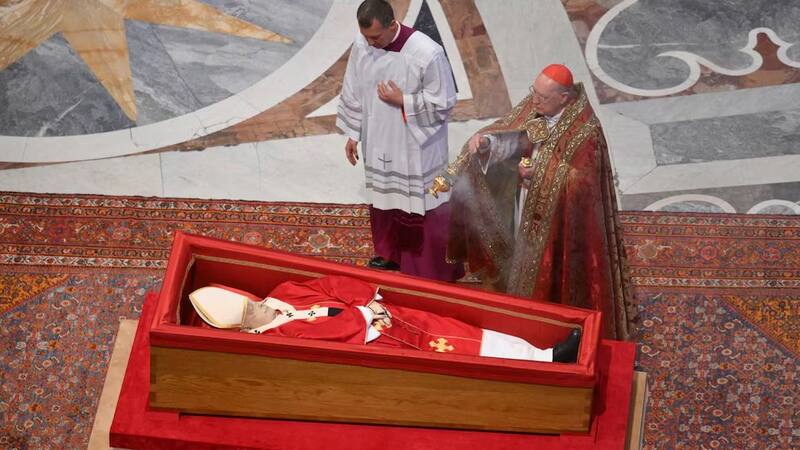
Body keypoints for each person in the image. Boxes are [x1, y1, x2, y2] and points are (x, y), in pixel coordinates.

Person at [446, 64, 633, 340]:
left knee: (548, 265)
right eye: (534, 92)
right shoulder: (539, 105)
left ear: (564, 98)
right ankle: (516, 290)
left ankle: (547, 313)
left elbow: (583, 185)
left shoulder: (585, 132)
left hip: (557, 218)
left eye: (542, 97)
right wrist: (488, 144)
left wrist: (541, 172)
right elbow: (513, 134)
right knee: (520, 253)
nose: (534, 100)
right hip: (526, 200)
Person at [336, 0, 463, 282]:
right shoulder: (363, 44)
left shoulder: (427, 54)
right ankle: (391, 255)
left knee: (422, 204)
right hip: (378, 140)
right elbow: (354, 87)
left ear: (393, 25)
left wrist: (402, 100)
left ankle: (429, 269)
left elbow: (444, 103)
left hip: (416, 148)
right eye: (367, 37)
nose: (371, 43)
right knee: (384, 198)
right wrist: (354, 133)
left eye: (376, 37)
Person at [188, 275, 583, 363]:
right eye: (254, 312)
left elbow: (332, 285)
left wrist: (369, 303)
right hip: (381, 345)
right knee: (461, 355)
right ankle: (545, 366)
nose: (263, 306)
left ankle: (542, 352)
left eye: (254, 302)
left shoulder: (282, 295)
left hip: (387, 316)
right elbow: (327, 344)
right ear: (246, 326)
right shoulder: (275, 341)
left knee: (465, 332)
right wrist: (368, 323)